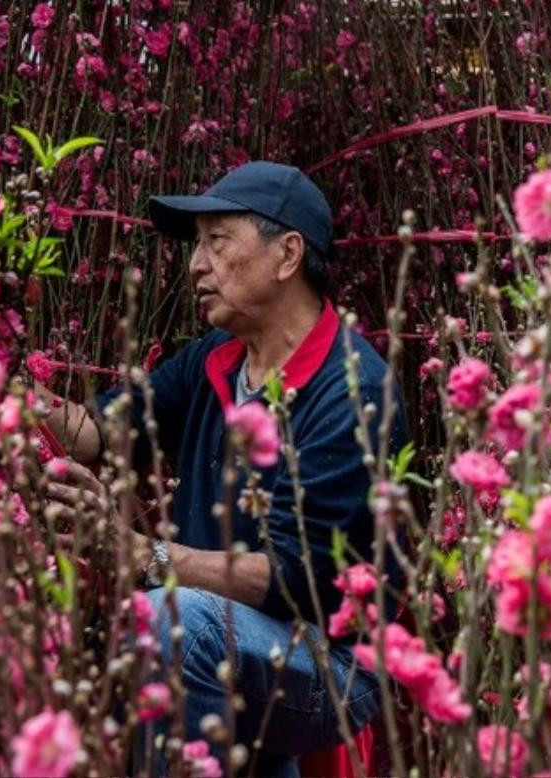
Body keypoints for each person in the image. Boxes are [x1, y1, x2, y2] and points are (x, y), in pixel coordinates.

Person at [41, 162, 405, 778]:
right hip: (235, 640)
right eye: (197, 245)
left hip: (332, 665)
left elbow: (294, 580)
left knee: (172, 620)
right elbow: (100, 433)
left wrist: (143, 555)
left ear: (288, 254)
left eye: (217, 241)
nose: (195, 264)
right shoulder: (217, 358)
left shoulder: (352, 388)